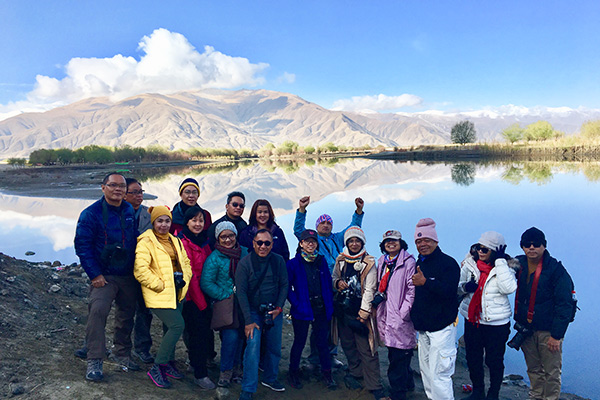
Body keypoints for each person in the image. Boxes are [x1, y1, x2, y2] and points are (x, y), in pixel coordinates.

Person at [74, 172, 141, 381]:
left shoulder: (129, 209)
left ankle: (122, 353)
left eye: (121, 186)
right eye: (113, 185)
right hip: (104, 276)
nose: (118, 189)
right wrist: (95, 274)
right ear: (103, 188)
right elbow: (82, 246)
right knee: (98, 311)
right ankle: (95, 359)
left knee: (126, 315)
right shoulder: (90, 213)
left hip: (127, 274)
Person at [293, 195, 364, 369]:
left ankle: (331, 354)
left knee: (332, 322)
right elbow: (298, 230)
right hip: (318, 286)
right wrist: (302, 210)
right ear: (317, 226)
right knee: (318, 322)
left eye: (328, 223)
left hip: (337, 285)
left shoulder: (337, 239)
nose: (326, 225)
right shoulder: (312, 241)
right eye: (322, 223)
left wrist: (358, 211)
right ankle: (314, 356)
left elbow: (353, 230)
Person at [134, 206, 192, 389]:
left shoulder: (176, 240)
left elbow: (186, 262)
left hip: (177, 291)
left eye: (167, 221)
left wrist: (186, 278)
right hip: (159, 293)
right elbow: (140, 269)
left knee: (169, 328)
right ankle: (157, 366)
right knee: (177, 325)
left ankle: (168, 364)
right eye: (160, 221)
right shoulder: (146, 241)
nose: (164, 225)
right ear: (153, 222)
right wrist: (160, 285)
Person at [513, 227, 575, 400]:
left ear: (544, 246)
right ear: (522, 246)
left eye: (536, 244)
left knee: (551, 372)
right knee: (533, 369)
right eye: (527, 244)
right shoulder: (519, 264)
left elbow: (565, 305)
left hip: (548, 331)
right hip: (526, 329)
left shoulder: (555, 270)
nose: (531, 247)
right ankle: (535, 397)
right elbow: (496, 262)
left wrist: (556, 335)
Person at [457, 232, 518, 400]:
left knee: (494, 361)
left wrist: (499, 261)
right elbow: (458, 287)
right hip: (473, 320)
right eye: (478, 247)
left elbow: (509, 288)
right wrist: (465, 287)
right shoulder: (470, 264)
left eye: (485, 249)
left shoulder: (506, 266)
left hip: (497, 323)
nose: (481, 252)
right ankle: (478, 391)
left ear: (496, 251)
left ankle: (493, 394)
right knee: (473, 358)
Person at [332, 227, 386, 400]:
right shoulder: (341, 260)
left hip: (361, 313)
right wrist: (338, 282)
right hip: (343, 310)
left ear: (362, 242)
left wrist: (364, 313)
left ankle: (374, 384)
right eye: (351, 241)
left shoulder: (369, 262)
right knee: (348, 345)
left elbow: (370, 289)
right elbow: (334, 278)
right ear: (347, 243)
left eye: (357, 241)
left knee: (367, 349)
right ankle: (356, 373)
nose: (354, 244)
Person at [410, 218, 460, 400]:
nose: (422, 244)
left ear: (435, 241)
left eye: (426, 241)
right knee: (427, 373)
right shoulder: (420, 263)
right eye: (418, 241)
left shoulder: (448, 263)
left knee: (440, 374)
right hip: (423, 329)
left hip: (442, 328)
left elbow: (449, 291)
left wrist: (426, 282)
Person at [235, 229, 288, 400]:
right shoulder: (245, 264)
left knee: (274, 346)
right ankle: (248, 388)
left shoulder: (278, 261)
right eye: (259, 242)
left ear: (272, 244)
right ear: (253, 243)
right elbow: (241, 293)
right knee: (253, 346)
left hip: (273, 310)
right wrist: (248, 321)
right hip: (252, 311)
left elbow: (284, 285)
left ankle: (270, 378)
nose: (263, 246)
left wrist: (279, 308)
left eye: (267, 243)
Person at [286, 229, 336, 390]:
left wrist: (329, 305)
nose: (310, 244)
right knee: (299, 342)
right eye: (307, 241)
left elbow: (327, 284)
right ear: (301, 243)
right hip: (302, 309)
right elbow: (287, 287)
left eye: (313, 241)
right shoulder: (293, 263)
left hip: (321, 308)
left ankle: (327, 373)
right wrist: (297, 303)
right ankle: (293, 372)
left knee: (322, 342)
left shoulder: (321, 261)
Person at [201, 221, 248, 388]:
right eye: (224, 237)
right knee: (231, 337)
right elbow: (207, 283)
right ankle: (225, 371)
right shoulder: (215, 257)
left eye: (231, 236)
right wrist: (225, 295)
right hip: (227, 305)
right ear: (218, 238)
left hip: (244, 304)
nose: (228, 240)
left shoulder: (245, 253)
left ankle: (237, 368)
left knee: (241, 337)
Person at [177, 206, 216, 390]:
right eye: (194, 220)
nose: (198, 224)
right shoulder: (183, 242)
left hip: (205, 294)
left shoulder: (205, 242)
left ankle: (199, 363)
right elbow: (189, 276)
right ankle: (200, 375)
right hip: (191, 298)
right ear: (187, 222)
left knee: (204, 333)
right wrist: (202, 303)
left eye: (201, 220)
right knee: (197, 334)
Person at [375, 230, 417, 400]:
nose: (390, 244)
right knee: (396, 353)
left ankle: (397, 395)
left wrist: (403, 314)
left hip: (400, 317)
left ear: (401, 243)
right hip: (387, 314)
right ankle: (408, 385)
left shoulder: (408, 262)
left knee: (399, 357)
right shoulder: (383, 262)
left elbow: (411, 290)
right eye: (387, 241)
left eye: (394, 241)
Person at [125, 177, 154, 364]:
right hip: (122, 270)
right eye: (135, 192)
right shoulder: (117, 214)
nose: (139, 196)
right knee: (124, 310)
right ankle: (120, 348)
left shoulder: (149, 215)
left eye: (141, 192)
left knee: (145, 310)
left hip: (144, 269)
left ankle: (142, 347)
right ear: (125, 194)